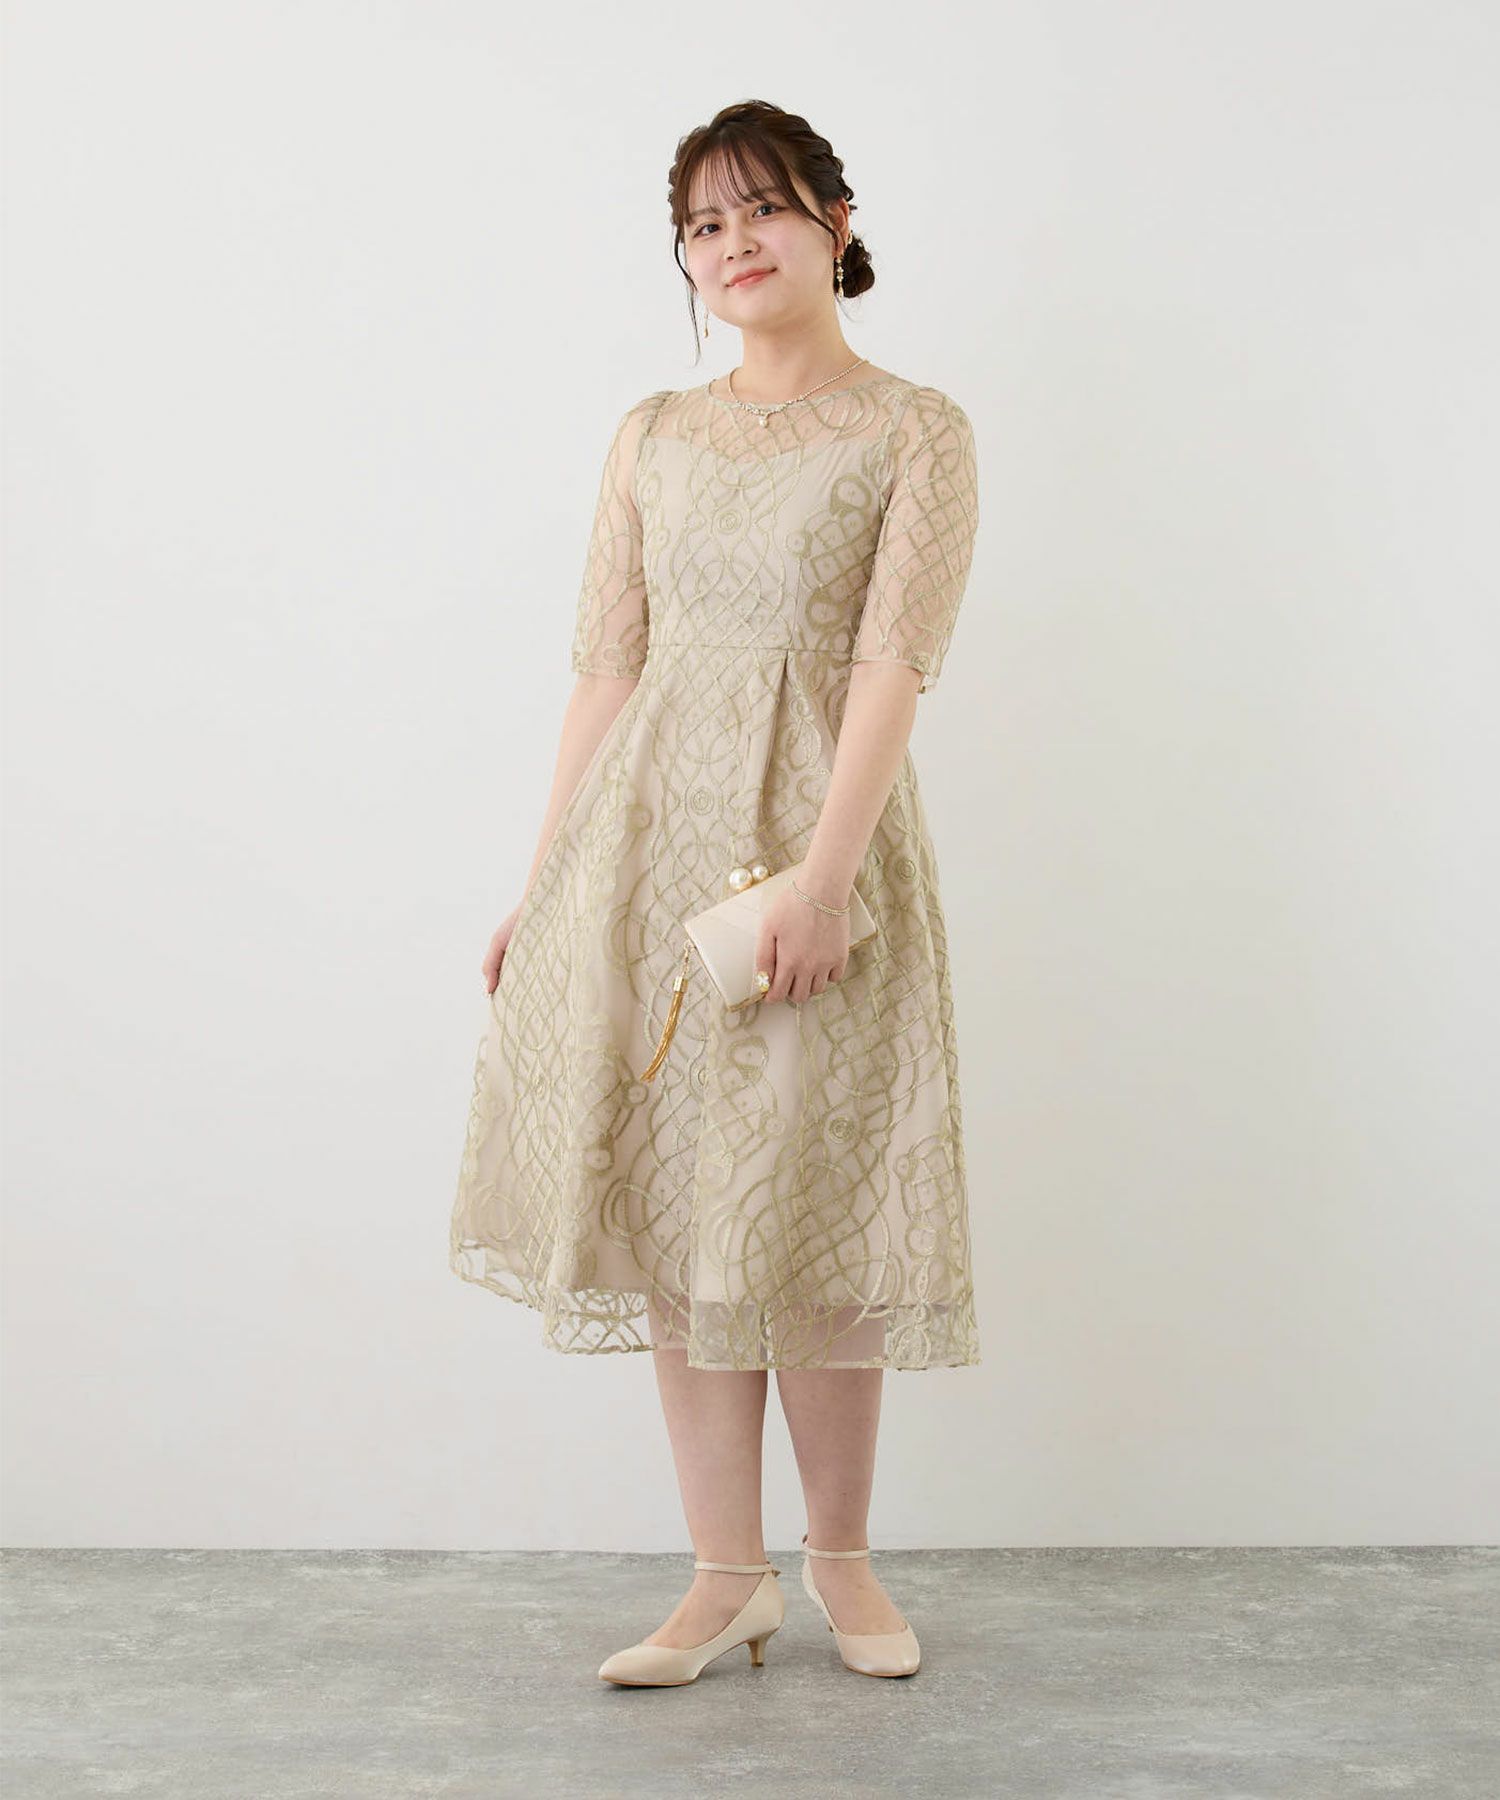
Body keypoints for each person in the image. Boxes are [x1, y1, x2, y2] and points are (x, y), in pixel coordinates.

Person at [450, 99, 981, 1685]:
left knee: (811, 1196)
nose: (733, 243)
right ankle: (724, 1578)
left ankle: (843, 1565)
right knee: (681, 1210)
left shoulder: (915, 430)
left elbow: (893, 664)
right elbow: (606, 668)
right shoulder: (652, 436)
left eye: (762, 208)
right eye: (702, 224)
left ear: (835, 222)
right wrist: (546, 886)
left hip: (820, 856)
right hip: (645, 853)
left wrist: (826, 878)